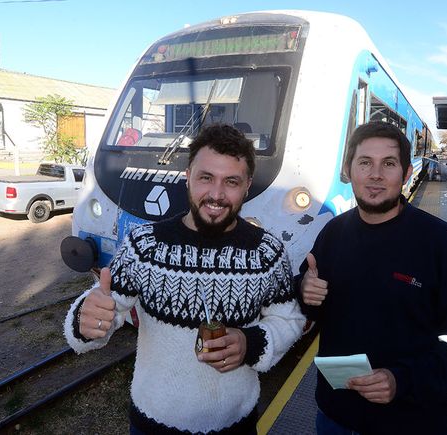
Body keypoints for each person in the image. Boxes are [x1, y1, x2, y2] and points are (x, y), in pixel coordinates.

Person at [64, 124, 305, 434]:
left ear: (247, 186)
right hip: (152, 424)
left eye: (231, 181)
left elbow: (289, 319)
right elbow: (106, 311)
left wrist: (250, 342)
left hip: (236, 424)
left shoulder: (268, 252)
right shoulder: (144, 245)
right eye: (206, 178)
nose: (216, 194)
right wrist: (87, 318)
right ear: (188, 177)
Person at [298, 121, 447, 434]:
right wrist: (304, 289)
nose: (375, 175)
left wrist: (402, 381)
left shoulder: (441, 243)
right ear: (349, 171)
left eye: (388, 164)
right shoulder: (334, 233)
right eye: (365, 163)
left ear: (407, 173)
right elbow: (312, 308)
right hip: (336, 417)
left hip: (412, 421)